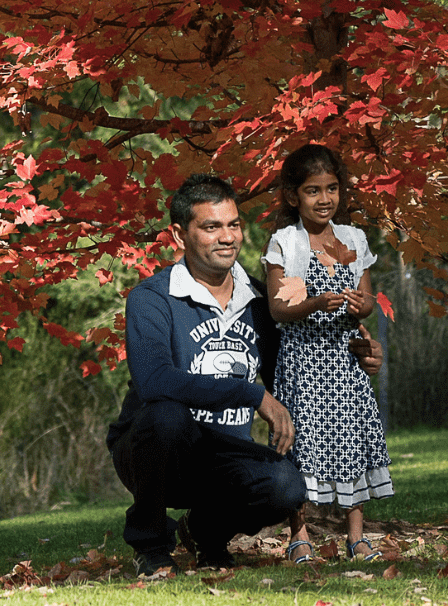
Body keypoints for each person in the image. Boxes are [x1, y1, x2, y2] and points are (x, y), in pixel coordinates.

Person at [104, 174, 308, 577]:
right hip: (157, 449)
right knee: (167, 415)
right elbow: (155, 381)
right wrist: (251, 395)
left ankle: (204, 532)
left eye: (233, 224)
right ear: (180, 234)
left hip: (223, 455)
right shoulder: (152, 298)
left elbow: (287, 374)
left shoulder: (258, 300)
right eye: (211, 227)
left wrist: (355, 353)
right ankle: (151, 545)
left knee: (285, 486)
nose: (227, 237)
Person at [262, 143, 394, 564]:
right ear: (293, 196)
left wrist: (361, 305)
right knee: (300, 447)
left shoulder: (353, 239)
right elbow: (278, 307)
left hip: (344, 360)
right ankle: (299, 535)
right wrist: (316, 303)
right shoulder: (287, 243)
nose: (324, 199)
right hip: (303, 363)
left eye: (331, 188)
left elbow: (369, 298)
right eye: (313, 190)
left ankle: (357, 536)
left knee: (351, 440)